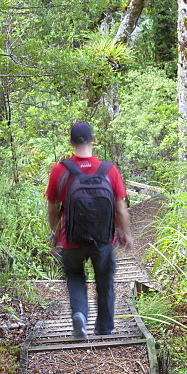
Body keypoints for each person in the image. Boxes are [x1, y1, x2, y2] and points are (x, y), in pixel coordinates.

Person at [46, 121, 133, 337]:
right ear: (93, 140)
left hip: (71, 238)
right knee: (104, 280)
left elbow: (52, 206)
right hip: (104, 239)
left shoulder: (60, 170)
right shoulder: (109, 170)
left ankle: (80, 315)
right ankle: (104, 328)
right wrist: (125, 233)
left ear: (71, 142)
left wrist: (55, 233)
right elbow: (120, 208)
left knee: (75, 276)